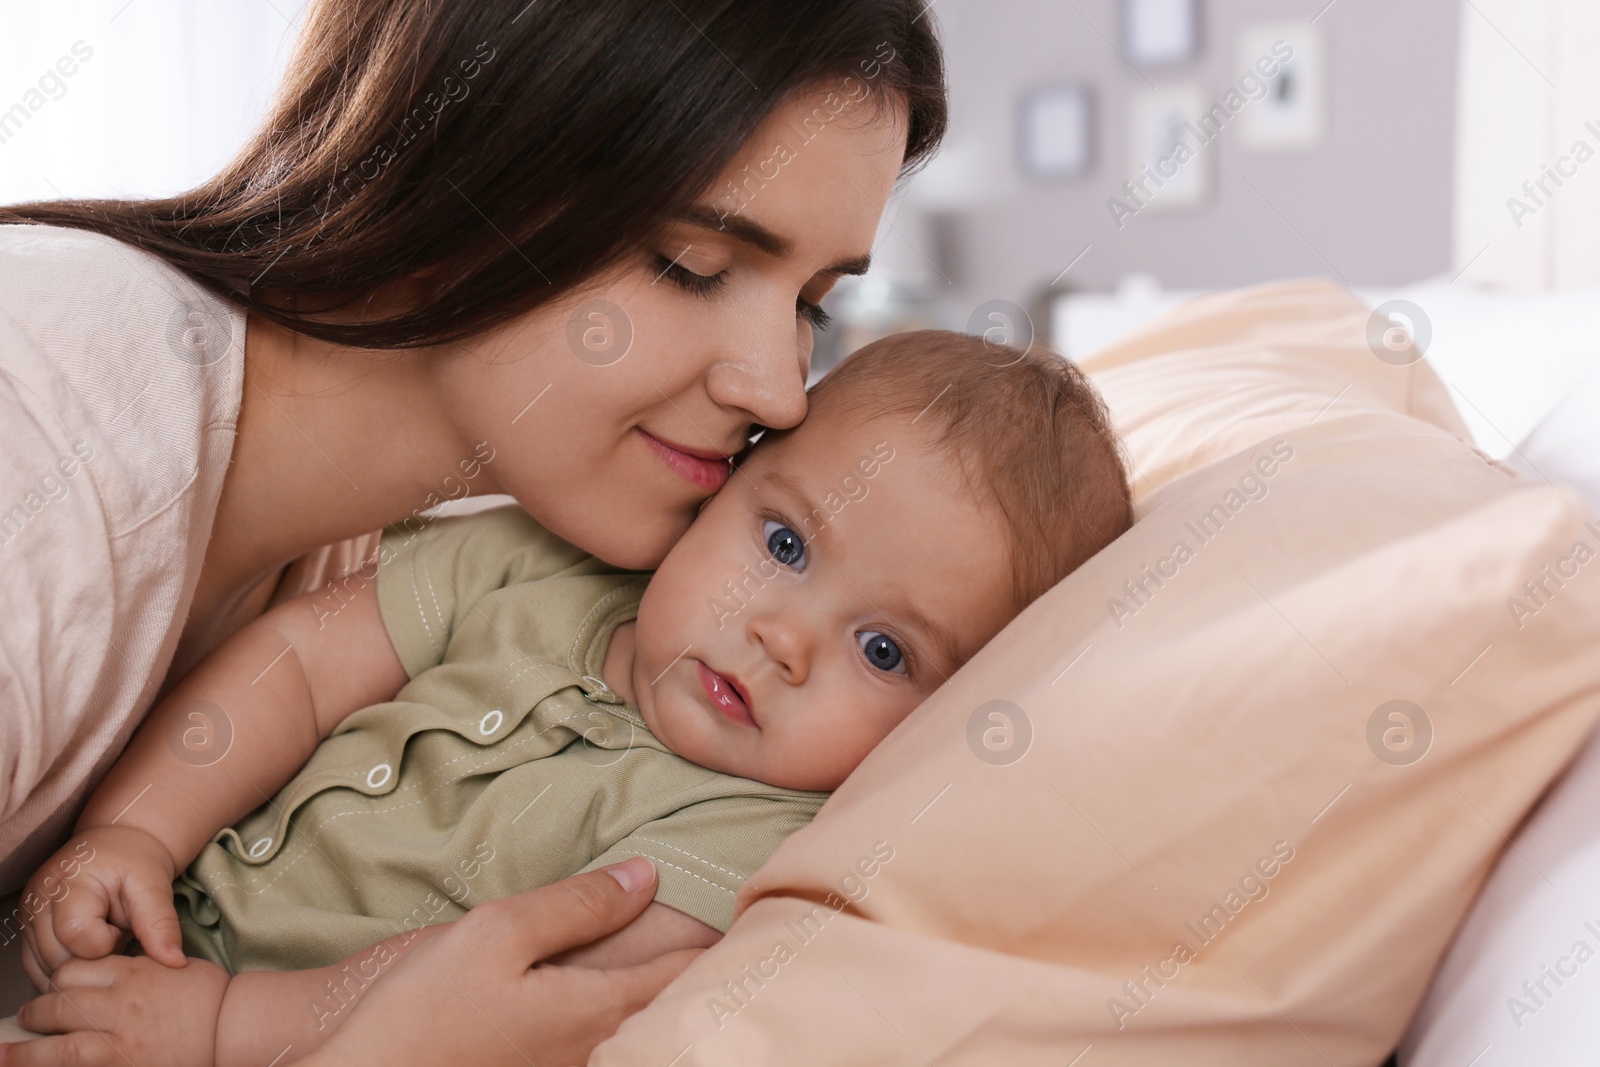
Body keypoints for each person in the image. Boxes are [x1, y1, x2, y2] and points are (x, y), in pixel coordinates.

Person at [0, 0, 947, 1057]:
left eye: (812, 301)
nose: (779, 390)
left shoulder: (460, 539)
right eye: (693, 264)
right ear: (459, 173)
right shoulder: (40, 434)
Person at [6, 331, 1134, 1064]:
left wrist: (221, 1028)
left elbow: (521, 982)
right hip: (119, 929)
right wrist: (132, 830)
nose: (782, 635)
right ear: (725, 483)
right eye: (784, 540)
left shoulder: (751, 833)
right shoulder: (533, 561)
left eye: (884, 649)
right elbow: (294, 663)